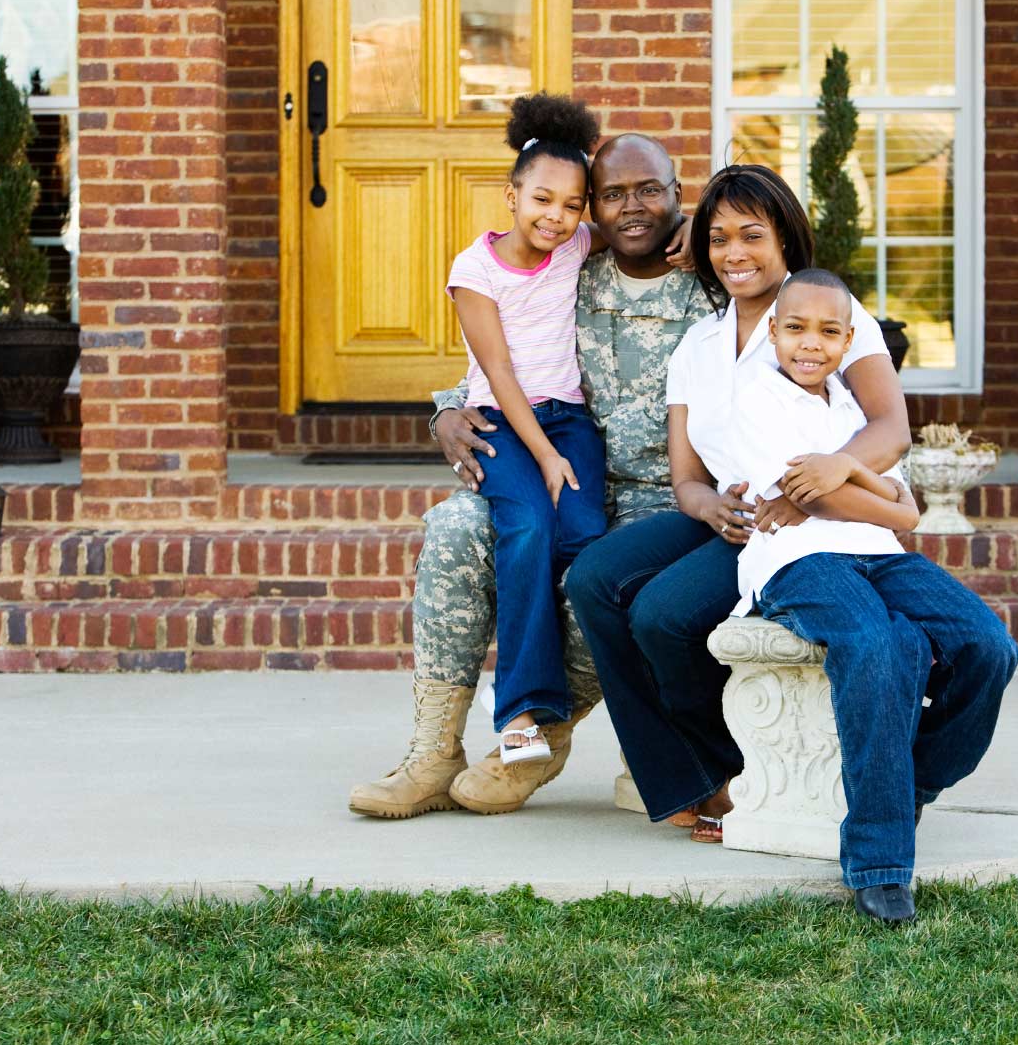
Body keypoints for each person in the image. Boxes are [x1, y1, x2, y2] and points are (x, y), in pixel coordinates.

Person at [349, 133, 702, 817]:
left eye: (651, 192)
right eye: (613, 196)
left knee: (593, 569)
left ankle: (539, 734)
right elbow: (505, 362)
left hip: (666, 499)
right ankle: (433, 751)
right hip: (565, 468)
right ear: (594, 209)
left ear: (677, 196)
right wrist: (447, 413)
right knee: (456, 525)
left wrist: (701, 223)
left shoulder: (709, 277)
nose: (632, 208)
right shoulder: (575, 265)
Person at [564, 164, 910, 843]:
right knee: (594, 578)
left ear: (784, 237)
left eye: (752, 235)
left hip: (804, 526)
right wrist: (707, 507)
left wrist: (828, 474)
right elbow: (687, 474)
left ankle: (732, 774)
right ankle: (680, 773)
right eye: (718, 238)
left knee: (663, 613)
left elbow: (891, 429)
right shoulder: (700, 342)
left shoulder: (829, 320)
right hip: (731, 520)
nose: (734, 253)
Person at [722, 269, 1018, 925]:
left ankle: (909, 781)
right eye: (795, 327)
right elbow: (824, 498)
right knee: (878, 644)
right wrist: (857, 485)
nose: (811, 344)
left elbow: (904, 506)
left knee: (989, 645)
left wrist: (847, 466)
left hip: (881, 555)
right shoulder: (755, 395)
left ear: (849, 339)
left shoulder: (850, 406)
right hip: (801, 560)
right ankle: (881, 864)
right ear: (771, 329)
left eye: (830, 332)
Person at [444, 93, 609, 764]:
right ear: (511, 195)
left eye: (573, 206)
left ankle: (549, 686)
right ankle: (517, 709)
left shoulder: (576, 246)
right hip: (505, 427)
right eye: (543, 199)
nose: (557, 217)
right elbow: (500, 372)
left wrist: (687, 231)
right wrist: (541, 454)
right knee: (528, 530)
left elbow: (643, 229)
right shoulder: (474, 269)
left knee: (583, 535)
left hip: (569, 421)